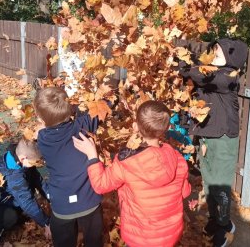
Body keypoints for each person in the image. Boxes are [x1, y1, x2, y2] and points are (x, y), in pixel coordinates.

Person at [73, 100, 191, 247]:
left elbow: (100, 185)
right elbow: (185, 192)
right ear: (166, 128)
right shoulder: (177, 158)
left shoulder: (127, 162)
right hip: (170, 235)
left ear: (135, 126)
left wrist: (92, 156)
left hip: (140, 238)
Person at [178, 38, 248, 247]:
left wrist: (183, 63)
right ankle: (214, 220)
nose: (212, 55)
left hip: (224, 139)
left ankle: (225, 226)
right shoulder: (208, 75)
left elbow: (201, 76)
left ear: (232, 58)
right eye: (213, 52)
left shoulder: (228, 77)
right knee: (208, 182)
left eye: (218, 53)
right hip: (208, 136)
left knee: (221, 186)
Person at [34, 86, 103, 247]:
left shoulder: (43, 139)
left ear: (41, 120)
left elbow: (45, 130)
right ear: (70, 109)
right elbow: (100, 108)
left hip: (62, 205)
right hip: (89, 201)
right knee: (94, 242)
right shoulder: (82, 127)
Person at [0, 138, 51, 247]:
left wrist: (51, 198)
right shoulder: (13, 176)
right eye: (34, 162)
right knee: (11, 216)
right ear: (23, 158)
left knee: (24, 197)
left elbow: (38, 181)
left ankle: (15, 215)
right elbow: (27, 202)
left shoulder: (22, 160)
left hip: (8, 199)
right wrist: (46, 223)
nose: (36, 165)